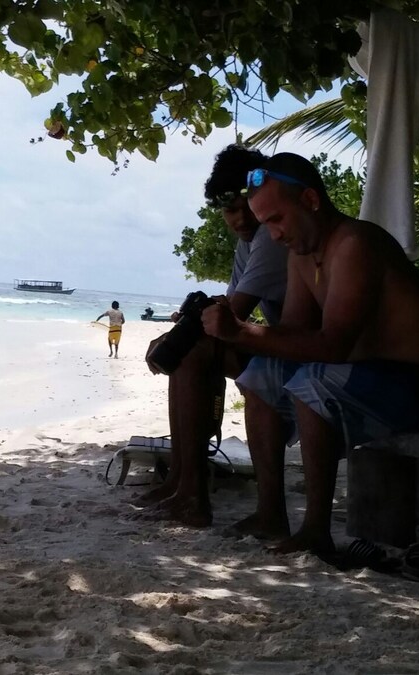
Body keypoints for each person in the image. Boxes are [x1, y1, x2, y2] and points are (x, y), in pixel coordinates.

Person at [201, 152, 419, 553]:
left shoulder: (354, 242)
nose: (274, 235)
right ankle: (270, 512)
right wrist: (241, 337)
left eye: (277, 219)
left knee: (314, 382)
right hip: (379, 370)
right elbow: (293, 333)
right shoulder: (302, 254)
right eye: (266, 225)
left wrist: (241, 331)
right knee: (264, 373)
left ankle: (316, 529)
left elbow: (333, 345)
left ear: (311, 201)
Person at [139, 144, 289, 528]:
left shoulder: (272, 240)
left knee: (190, 352)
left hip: (303, 351)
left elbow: (231, 315)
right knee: (186, 350)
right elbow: (226, 309)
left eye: (245, 207)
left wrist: (177, 337)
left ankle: (191, 493)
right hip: (285, 346)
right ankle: (180, 481)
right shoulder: (249, 244)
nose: (240, 219)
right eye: (229, 210)